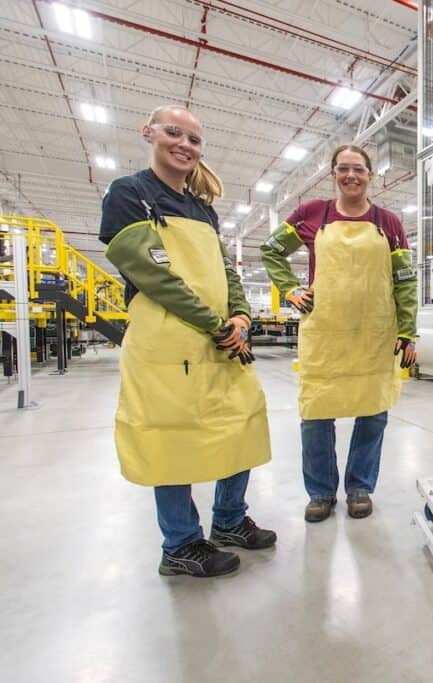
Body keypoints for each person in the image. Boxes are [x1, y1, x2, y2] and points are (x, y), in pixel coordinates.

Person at [100, 105, 275, 578]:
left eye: (194, 139)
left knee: (241, 423)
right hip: (167, 343)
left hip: (219, 340)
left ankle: (230, 521)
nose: (184, 144)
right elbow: (155, 276)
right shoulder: (129, 194)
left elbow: (225, 272)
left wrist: (239, 314)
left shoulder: (204, 210)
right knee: (172, 439)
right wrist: (215, 324)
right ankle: (180, 544)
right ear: (149, 133)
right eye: (174, 133)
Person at [260, 144, 417, 523]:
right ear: (333, 173)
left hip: (375, 332)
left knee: (373, 411)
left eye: (359, 169)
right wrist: (291, 289)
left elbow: (405, 281)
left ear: (370, 175)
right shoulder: (312, 214)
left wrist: (408, 329)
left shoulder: (389, 222)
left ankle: (360, 486)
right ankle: (320, 492)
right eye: (343, 168)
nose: (351, 175)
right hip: (325, 332)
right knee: (316, 413)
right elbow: (271, 251)